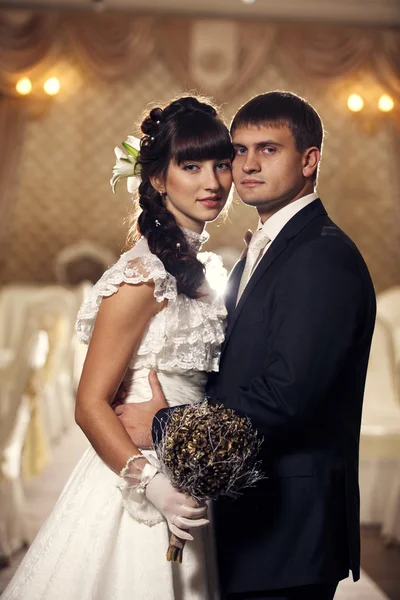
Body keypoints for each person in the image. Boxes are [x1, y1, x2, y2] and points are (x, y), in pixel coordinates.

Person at [114, 91, 376, 600]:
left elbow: (286, 397)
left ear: (309, 159)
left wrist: (165, 423)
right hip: (248, 519)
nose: (248, 164)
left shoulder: (322, 257)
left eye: (269, 149)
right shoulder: (268, 247)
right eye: (239, 150)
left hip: (288, 534)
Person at [2, 96, 233, 600]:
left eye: (221, 163)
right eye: (190, 166)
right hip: (147, 485)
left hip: (195, 470)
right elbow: (88, 404)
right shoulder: (140, 277)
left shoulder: (208, 272)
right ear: (156, 178)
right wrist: (154, 486)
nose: (212, 181)